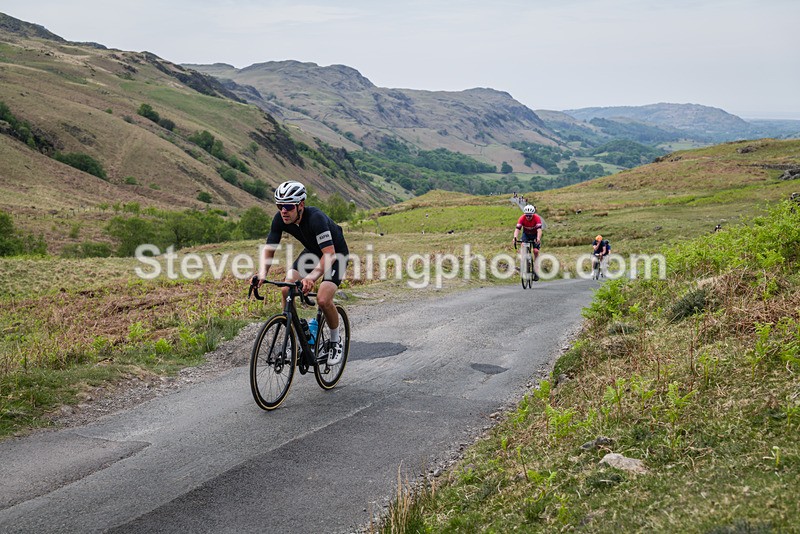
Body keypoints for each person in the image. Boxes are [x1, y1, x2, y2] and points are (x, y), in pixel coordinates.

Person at [256, 181, 349, 365]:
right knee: (286, 288)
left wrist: (311, 278)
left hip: (335, 254)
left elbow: (329, 255)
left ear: (301, 205)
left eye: (288, 206)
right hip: (313, 252)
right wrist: (262, 273)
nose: (283, 210)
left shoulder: (316, 218)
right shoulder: (280, 218)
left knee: (323, 299)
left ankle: (335, 340)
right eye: (280, 205)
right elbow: (269, 248)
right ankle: (294, 338)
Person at [513, 204, 543, 281]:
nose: (528, 217)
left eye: (530, 216)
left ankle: (536, 269)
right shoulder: (522, 218)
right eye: (527, 215)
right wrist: (515, 237)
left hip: (535, 235)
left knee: (535, 251)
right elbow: (517, 229)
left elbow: (539, 230)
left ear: (533, 214)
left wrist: (538, 238)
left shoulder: (537, 218)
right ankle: (525, 262)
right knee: (523, 245)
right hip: (526, 234)